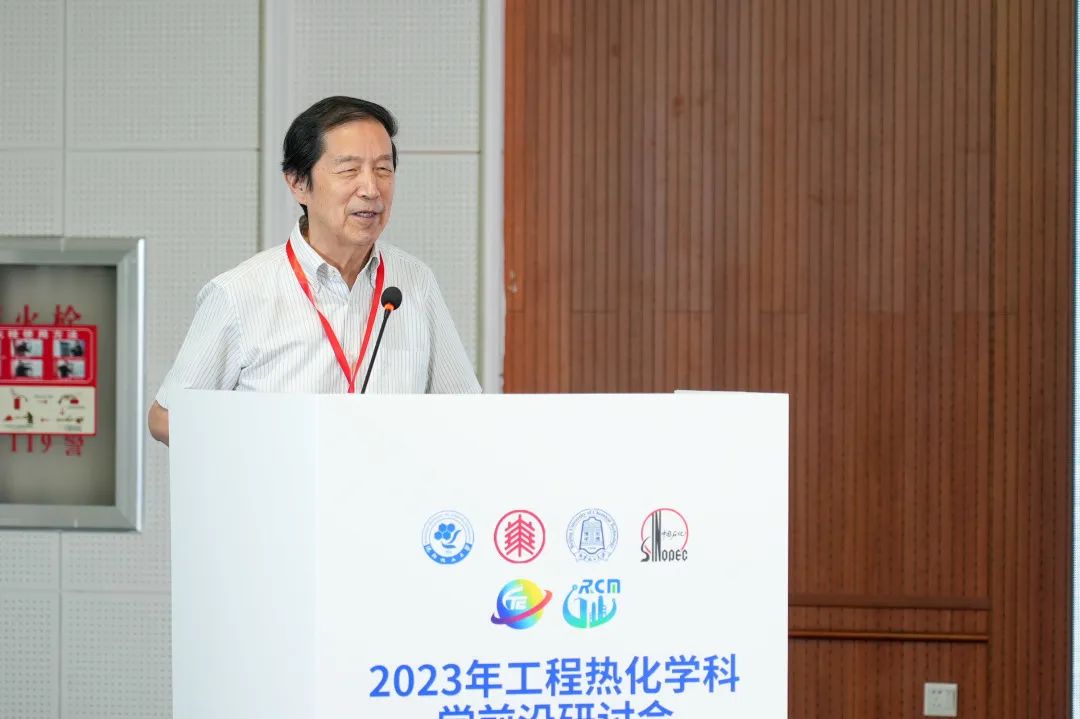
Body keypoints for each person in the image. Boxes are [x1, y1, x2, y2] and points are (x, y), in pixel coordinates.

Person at [148, 96, 480, 445]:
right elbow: (164, 418)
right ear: (298, 183)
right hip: (281, 479)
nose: (371, 189)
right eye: (349, 170)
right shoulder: (239, 294)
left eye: (383, 169)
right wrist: (265, 443)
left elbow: (465, 409)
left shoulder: (414, 282)